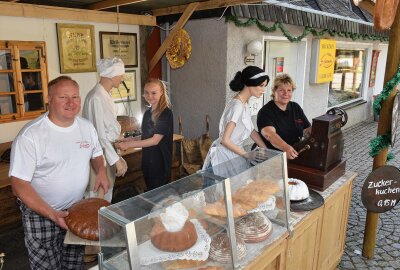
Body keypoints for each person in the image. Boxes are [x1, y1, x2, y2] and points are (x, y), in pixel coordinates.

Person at [9, 76, 109, 270]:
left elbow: (96, 155)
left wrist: (102, 170)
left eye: (75, 96)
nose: (71, 103)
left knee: (73, 263)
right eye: (63, 97)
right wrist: (52, 214)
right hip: (42, 214)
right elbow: (19, 185)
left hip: (76, 210)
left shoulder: (86, 127)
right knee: (47, 266)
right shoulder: (31, 136)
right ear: (49, 99)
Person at [202, 66, 269, 176]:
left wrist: (265, 149)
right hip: (223, 156)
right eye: (261, 85)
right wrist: (248, 155)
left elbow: (251, 130)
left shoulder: (245, 103)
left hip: (234, 153)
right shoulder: (237, 106)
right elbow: (225, 140)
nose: (263, 90)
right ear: (249, 83)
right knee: (222, 191)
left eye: (265, 86)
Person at [115, 78, 173, 191]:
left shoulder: (166, 113)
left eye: (154, 93)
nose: (149, 96)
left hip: (159, 163)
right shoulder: (147, 113)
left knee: (159, 195)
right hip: (147, 162)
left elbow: (154, 140)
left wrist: (129, 145)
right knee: (151, 191)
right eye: (146, 92)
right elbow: (145, 136)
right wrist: (128, 140)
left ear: (162, 92)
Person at [83, 57, 128, 202]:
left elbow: (108, 130)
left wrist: (118, 154)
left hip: (107, 152)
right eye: (121, 74)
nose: (122, 78)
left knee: (105, 197)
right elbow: (99, 135)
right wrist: (116, 160)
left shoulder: (104, 95)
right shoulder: (96, 97)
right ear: (112, 74)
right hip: (99, 156)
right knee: (98, 199)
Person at [257, 73, 311, 160]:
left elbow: (307, 130)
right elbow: (269, 135)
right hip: (271, 157)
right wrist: (285, 147)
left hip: (294, 154)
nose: (286, 93)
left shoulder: (295, 107)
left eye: (289, 90)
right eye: (281, 90)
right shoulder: (265, 112)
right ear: (274, 92)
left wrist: (318, 133)